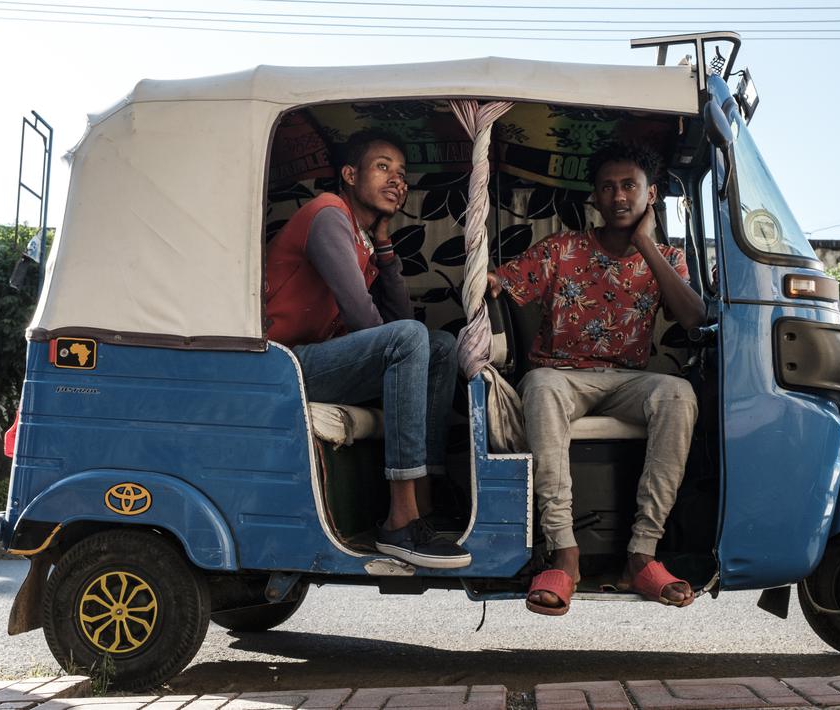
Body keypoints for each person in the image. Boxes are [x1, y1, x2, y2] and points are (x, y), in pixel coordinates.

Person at [487, 141, 706, 614]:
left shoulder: (666, 255)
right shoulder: (562, 248)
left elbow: (691, 316)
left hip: (628, 381)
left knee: (678, 393)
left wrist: (647, 244)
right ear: (595, 197)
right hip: (561, 378)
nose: (618, 196)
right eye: (607, 187)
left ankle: (642, 556)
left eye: (630, 186)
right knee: (541, 385)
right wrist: (485, 281)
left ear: (651, 195)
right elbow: (501, 283)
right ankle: (565, 554)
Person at [265, 129, 470, 569]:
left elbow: (398, 318)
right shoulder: (329, 214)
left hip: (314, 363)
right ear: (349, 174)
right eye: (383, 167)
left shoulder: (361, 236)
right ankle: (400, 520)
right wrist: (402, 342)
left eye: (402, 174)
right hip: (281, 365)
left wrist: (384, 248)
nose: (397, 180)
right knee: (412, 339)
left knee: (440, 346)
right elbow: (365, 318)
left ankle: (425, 500)